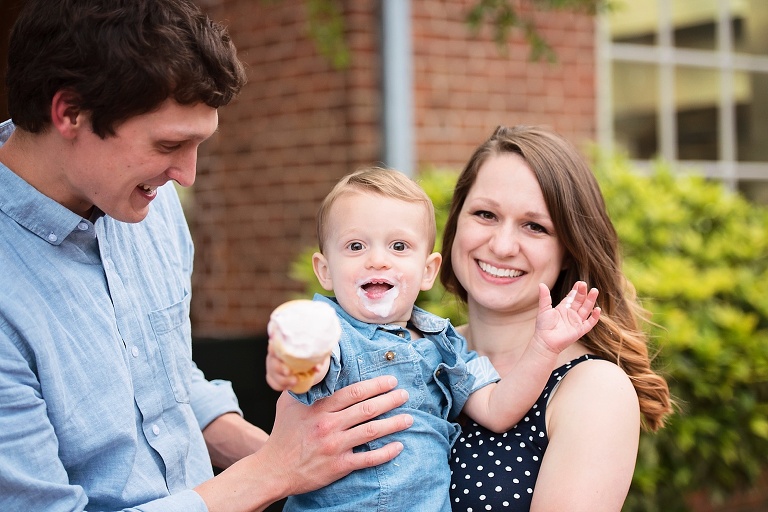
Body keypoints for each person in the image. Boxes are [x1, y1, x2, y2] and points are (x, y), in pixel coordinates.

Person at [0, 1, 414, 511]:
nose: (186, 175)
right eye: (169, 143)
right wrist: (274, 470)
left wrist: (310, 458)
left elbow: (162, 384)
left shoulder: (145, 201)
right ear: (69, 112)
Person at [265, 167, 602, 511]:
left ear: (427, 271)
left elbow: (498, 409)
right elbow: (308, 365)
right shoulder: (331, 332)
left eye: (399, 246)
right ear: (325, 270)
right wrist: (291, 360)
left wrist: (542, 347)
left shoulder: (444, 343)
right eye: (355, 246)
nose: (377, 260)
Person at [441, 125, 674, 511]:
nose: (501, 245)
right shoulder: (411, 348)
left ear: (569, 248)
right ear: (457, 222)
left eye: (535, 226)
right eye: (485, 214)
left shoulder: (592, 389)